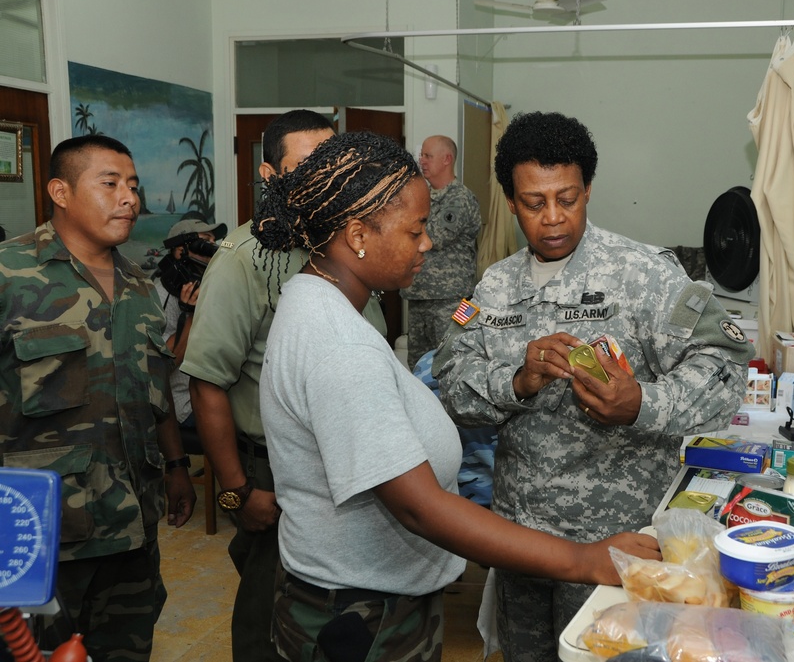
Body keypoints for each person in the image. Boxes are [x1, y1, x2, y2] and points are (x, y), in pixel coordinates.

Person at [252, 131, 660, 662]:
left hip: (366, 596)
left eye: (567, 198)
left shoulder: (317, 305)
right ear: (357, 235)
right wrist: (585, 560)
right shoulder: (338, 342)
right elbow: (422, 509)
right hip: (360, 615)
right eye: (416, 229)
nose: (427, 243)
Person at [434, 111, 756, 662]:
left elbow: (726, 367)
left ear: (589, 191)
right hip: (523, 547)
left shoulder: (646, 275)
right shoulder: (490, 290)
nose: (554, 218)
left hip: (619, 549)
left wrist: (642, 404)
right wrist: (517, 380)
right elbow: (447, 381)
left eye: (569, 198)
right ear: (510, 202)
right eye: (535, 203)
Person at [179, 110, 386, 662]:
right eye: (308, 166)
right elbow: (207, 384)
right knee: (269, 627)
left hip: (350, 472)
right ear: (271, 176)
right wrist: (236, 492)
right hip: (275, 475)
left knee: (342, 627)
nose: (327, 177)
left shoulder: (353, 245)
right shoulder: (244, 259)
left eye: (335, 163)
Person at [0, 134, 196, 661]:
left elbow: (152, 396)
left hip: (133, 528)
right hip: (41, 538)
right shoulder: (8, 275)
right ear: (60, 192)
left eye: (133, 185)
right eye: (110, 184)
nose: (129, 198)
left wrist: (177, 466)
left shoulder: (138, 286)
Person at [399, 135, 482, 370]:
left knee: (450, 365)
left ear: (447, 159)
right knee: (417, 367)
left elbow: (432, 237)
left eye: (428, 156)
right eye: (421, 155)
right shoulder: (421, 195)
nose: (422, 161)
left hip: (450, 300)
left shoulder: (460, 198)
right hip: (418, 296)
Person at [153, 216, 227, 427]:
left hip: (214, 393)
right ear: (179, 250)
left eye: (213, 240)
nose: (211, 246)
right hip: (184, 406)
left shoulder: (206, 286)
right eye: (204, 241)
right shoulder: (161, 295)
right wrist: (191, 314)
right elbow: (167, 364)